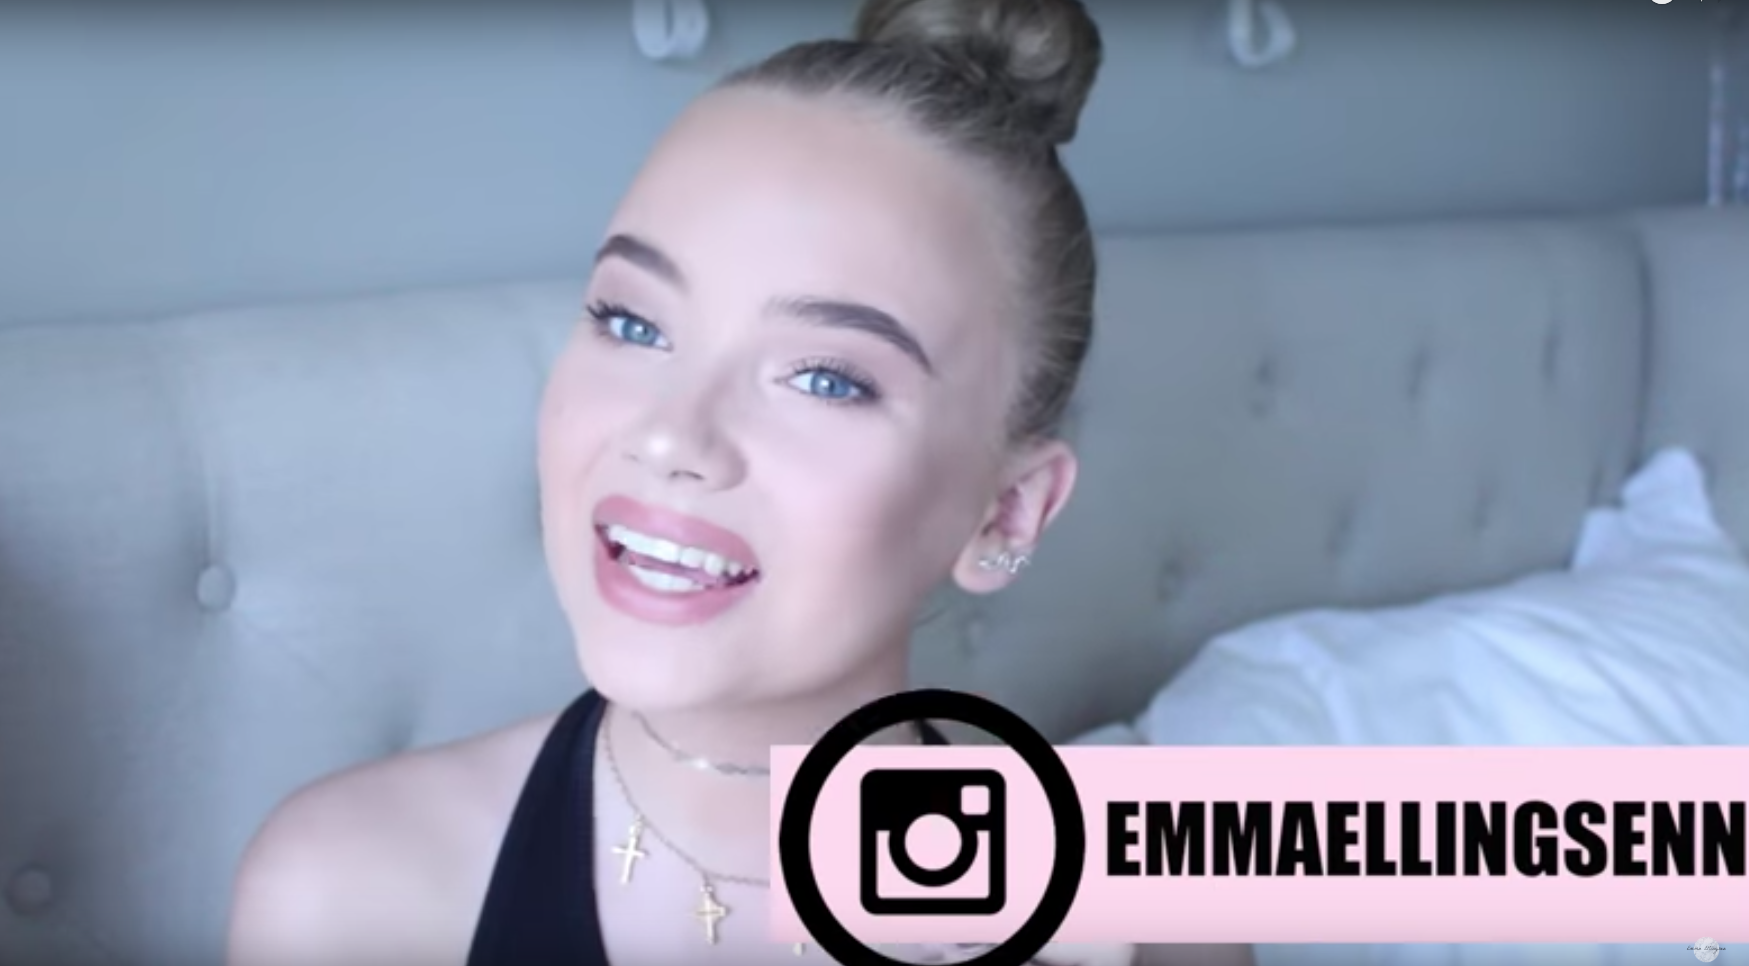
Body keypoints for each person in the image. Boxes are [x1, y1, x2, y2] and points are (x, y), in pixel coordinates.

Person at [226, 0, 1252, 963]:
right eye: (633, 322)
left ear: (1006, 515)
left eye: (826, 378)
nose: (673, 435)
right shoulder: (347, 893)